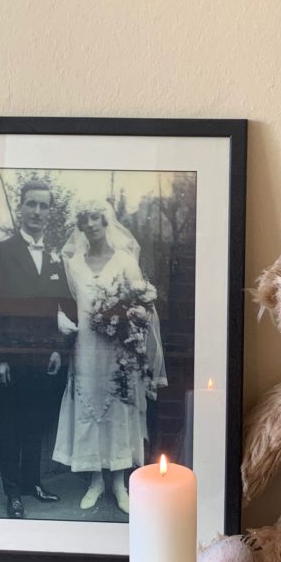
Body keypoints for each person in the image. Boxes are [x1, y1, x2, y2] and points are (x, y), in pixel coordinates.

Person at [52, 201, 167, 514]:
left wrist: (129, 315)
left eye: (95, 220)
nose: (90, 226)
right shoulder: (74, 263)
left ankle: (118, 482)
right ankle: (95, 481)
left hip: (118, 351)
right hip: (86, 351)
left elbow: (140, 303)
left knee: (117, 409)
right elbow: (65, 301)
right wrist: (61, 317)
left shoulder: (125, 261)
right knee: (88, 408)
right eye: (84, 221)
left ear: (106, 222)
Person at [0, 179, 76, 519]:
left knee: (36, 423)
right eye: (31, 204)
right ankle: (12, 494)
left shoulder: (53, 256)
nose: (37, 211)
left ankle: (33, 483)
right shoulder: (1, 252)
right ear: (21, 208)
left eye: (43, 205)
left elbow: (59, 308)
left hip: (42, 358)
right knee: (10, 425)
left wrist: (57, 349)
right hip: (11, 357)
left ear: (50, 212)